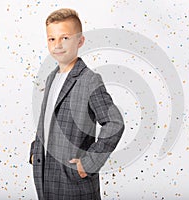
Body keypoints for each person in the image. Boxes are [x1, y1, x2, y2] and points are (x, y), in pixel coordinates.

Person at [29, 8, 125, 200]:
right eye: (52, 39)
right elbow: (46, 120)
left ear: (80, 41)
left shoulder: (89, 80)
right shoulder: (50, 78)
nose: (57, 45)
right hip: (45, 175)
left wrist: (88, 163)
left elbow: (115, 123)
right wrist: (35, 149)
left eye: (65, 38)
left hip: (73, 181)